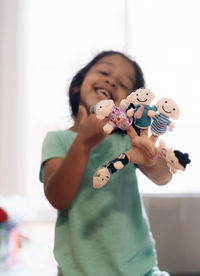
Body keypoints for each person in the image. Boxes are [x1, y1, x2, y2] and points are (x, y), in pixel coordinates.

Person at [39, 50, 172, 276]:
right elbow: (57, 198)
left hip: (140, 268)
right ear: (76, 86)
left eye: (123, 83)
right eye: (103, 71)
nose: (111, 81)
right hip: (78, 270)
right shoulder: (58, 139)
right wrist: (83, 142)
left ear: (131, 104)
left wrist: (151, 162)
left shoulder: (129, 140)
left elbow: (164, 177)